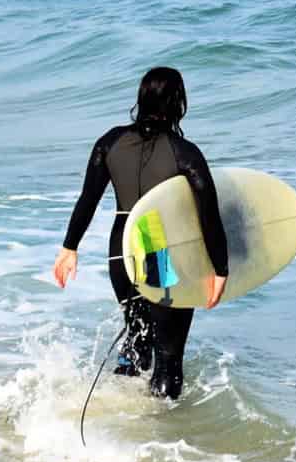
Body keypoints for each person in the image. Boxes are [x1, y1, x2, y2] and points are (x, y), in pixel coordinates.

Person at [53, 67, 229, 399]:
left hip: (121, 251)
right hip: (158, 250)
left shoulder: (110, 141)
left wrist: (69, 247)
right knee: (168, 359)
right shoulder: (183, 152)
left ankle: (121, 412)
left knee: (137, 340)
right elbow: (209, 214)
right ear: (179, 102)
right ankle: (159, 437)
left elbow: (88, 199)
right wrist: (221, 269)